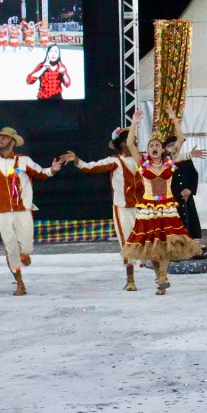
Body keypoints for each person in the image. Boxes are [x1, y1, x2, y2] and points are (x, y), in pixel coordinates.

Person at [0, 126, 66, 295]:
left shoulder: (24, 160)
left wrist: (53, 169)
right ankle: (19, 283)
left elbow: (41, 173)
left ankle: (25, 255)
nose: (0, 140)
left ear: (13, 141)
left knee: (26, 247)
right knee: (11, 247)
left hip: (23, 209)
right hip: (3, 211)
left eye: (4, 138)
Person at [121, 117, 203, 294]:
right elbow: (130, 145)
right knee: (153, 249)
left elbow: (180, 140)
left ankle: (163, 278)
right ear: (148, 150)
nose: (154, 147)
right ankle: (160, 281)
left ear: (162, 149)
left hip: (167, 209)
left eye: (157, 145)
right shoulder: (143, 163)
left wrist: (174, 119)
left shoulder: (170, 162)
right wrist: (134, 124)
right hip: (149, 210)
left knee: (164, 247)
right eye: (151, 146)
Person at [66, 121, 146, 291]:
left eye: (133, 139)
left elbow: (166, 161)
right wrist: (77, 160)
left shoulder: (144, 159)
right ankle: (130, 279)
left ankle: (159, 277)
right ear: (121, 144)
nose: (132, 142)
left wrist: (187, 154)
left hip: (144, 207)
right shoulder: (114, 161)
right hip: (123, 208)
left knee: (149, 240)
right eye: (127, 139)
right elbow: (90, 167)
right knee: (127, 243)